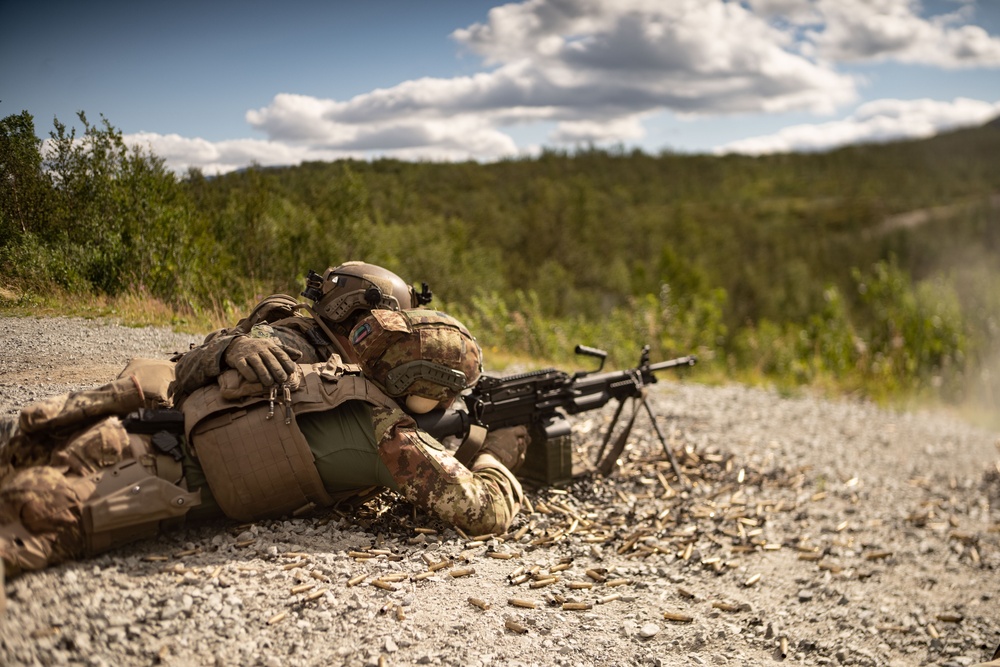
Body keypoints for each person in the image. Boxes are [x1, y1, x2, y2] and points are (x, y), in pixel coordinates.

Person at [0, 308, 527, 578]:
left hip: (128, 430)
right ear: (428, 391)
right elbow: (482, 511)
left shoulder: (322, 367)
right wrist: (500, 448)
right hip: (135, 483)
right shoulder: (388, 436)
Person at [171, 260, 432, 398]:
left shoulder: (347, 356)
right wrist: (234, 346)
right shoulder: (299, 344)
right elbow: (183, 369)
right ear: (358, 317)